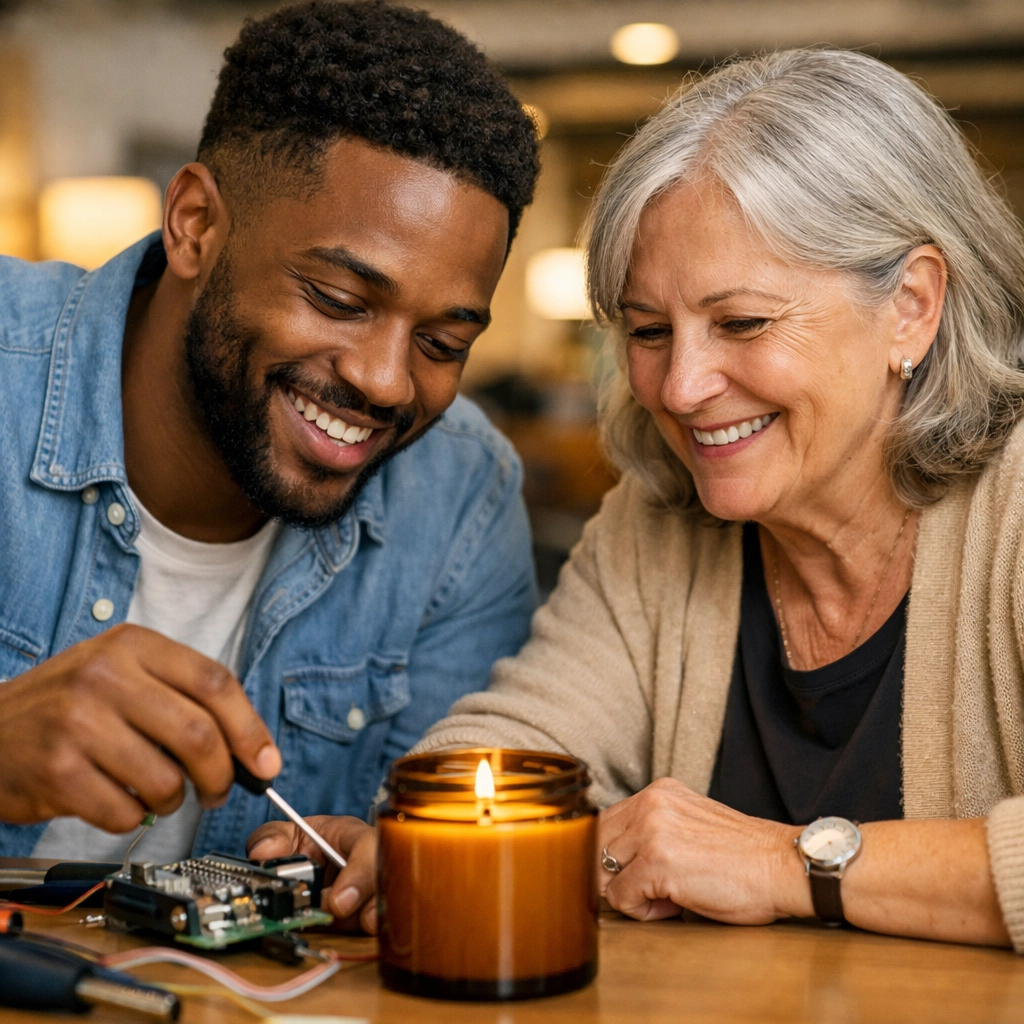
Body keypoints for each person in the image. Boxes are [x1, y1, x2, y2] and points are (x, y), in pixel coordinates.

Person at [256, 48, 1024, 949]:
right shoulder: (655, 522)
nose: (681, 387)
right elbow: (516, 745)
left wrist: (779, 863)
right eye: (650, 332)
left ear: (913, 307)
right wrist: (432, 835)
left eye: (742, 322)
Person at [0, 0, 540, 926]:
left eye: (444, 343)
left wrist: (400, 864)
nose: (384, 382)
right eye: (338, 298)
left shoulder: (461, 498)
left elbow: (453, 847)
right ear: (196, 224)